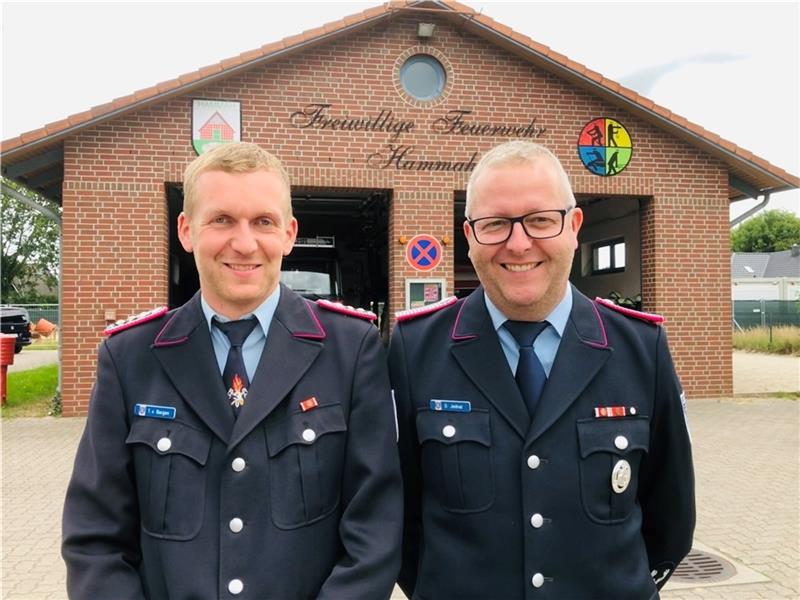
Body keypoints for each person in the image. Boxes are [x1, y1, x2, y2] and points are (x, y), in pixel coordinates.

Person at [62, 142, 402, 599]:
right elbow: (94, 538)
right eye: (221, 220)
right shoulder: (131, 357)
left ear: (288, 233)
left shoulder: (350, 349)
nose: (244, 243)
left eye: (263, 221)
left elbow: (374, 527)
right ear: (186, 230)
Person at [389, 140, 695, 599]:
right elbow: (400, 516)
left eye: (540, 220)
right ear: (470, 236)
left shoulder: (641, 347)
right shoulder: (415, 349)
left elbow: (670, 519)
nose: (518, 243)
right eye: (495, 224)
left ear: (573, 226)